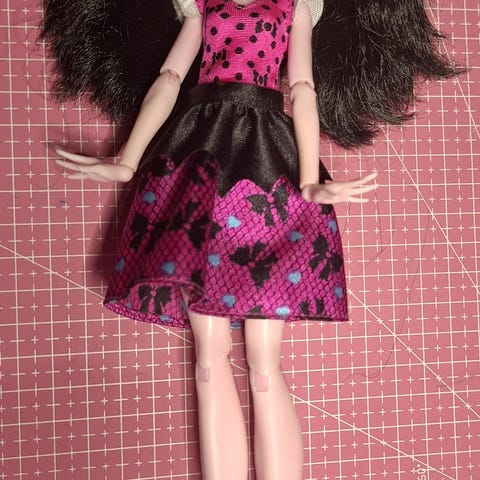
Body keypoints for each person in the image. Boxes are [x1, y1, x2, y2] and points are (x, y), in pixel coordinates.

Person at [41, 1, 459, 478]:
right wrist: (128, 159)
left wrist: (309, 180)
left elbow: (302, 90)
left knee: (264, 362)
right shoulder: (200, 6)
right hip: (199, 158)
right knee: (208, 355)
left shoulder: (294, 7)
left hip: (265, 161)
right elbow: (169, 79)